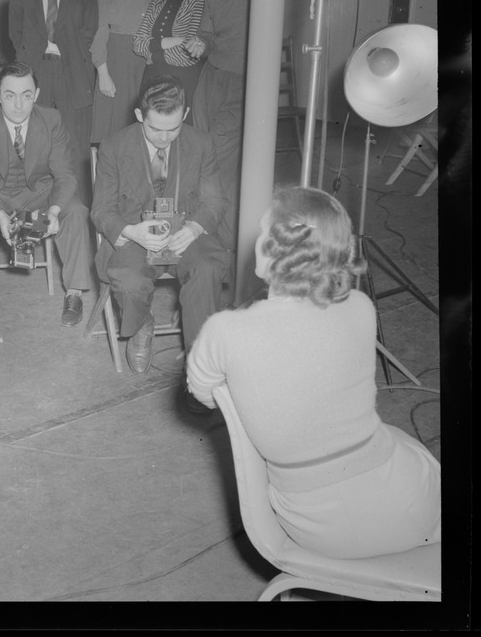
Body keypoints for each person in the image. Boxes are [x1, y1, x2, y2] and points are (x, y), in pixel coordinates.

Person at [187, 187, 441, 559]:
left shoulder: (224, 331)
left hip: (317, 528)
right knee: (406, 446)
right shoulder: (360, 306)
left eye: (262, 233)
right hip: (412, 505)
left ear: (276, 250)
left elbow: (205, 393)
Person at [91, 75, 227, 374]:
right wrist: (131, 231)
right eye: (155, 129)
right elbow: (101, 209)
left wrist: (193, 229)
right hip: (136, 235)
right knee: (129, 279)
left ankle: (201, 361)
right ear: (140, 115)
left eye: (173, 128)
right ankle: (141, 322)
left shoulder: (202, 143)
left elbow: (214, 202)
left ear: (186, 115)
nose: (164, 138)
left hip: (186, 233)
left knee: (207, 269)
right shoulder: (114, 147)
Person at [0, 62, 93, 329]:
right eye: (10, 95)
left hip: (36, 194)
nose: (18, 105)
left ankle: (74, 293)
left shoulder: (52, 120)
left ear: (36, 95)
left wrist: (53, 211)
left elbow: (65, 176)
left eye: (26, 95)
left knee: (75, 210)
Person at [8, 0, 98, 201]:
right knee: (38, 144)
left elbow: (90, 29)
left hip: (74, 71)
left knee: (76, 148)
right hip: (37, 73)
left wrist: (64, 48)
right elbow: (15, 35)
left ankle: (77, 213)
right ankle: (40, 208)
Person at [185, 0, 252, 254]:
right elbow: (208, 33)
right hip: (211, 79)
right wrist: (200, 43)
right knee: (200, 151)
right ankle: (204, 236)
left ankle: (220, 245)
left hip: (243, 83)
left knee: (219, 164)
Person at [90, 0, 160, 142]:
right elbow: (99, 25)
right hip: (118, 58)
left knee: (148, 124)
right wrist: (103, 72)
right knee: (115, 126)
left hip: (149, 60)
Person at [133, 0, 206, 111]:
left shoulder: (200, 1)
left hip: (183, 79)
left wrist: (154, 54)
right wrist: (173, 41)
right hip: (151, 77)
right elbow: (137, 44)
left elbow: (189, 54)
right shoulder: (157, 0)